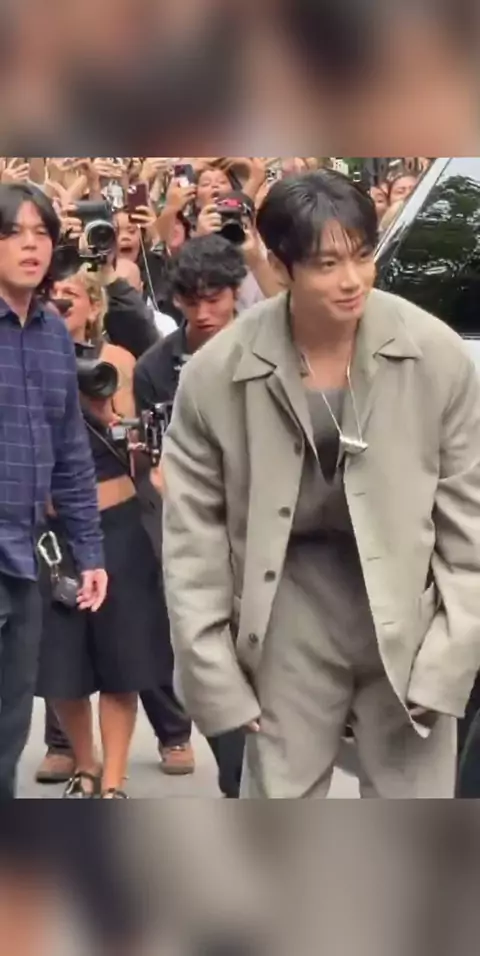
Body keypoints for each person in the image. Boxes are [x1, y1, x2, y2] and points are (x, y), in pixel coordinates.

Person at [161, 169, 480, 799]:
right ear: (280, 268)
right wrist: (214, 673)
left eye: (362, 256)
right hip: (286, 611)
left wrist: (450, 657)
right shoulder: (215, 374)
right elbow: (193, 540)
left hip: (407, 608)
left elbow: (469, 528)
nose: (352, 279)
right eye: (327, 264)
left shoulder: (438, 356)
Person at [35, 264, 172, 798]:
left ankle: (113, 780)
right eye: (53, 294)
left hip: (116, 523)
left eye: (71, 294)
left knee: (123, 659)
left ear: (93, 307)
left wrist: (101, 405)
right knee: (61, 665)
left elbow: (133, 444)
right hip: (53, 532)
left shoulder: (115, 360)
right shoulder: (24, 359)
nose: (61, 301)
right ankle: (86, 764)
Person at [0, 182, 107, 799]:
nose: (30, 245)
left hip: (26, 554)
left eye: (41, 232)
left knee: (10, 728)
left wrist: (89, 552)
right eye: (13, 232)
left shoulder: (52, 334)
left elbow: (71, 453)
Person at [135, 234, 248, 795]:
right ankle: (234, 775)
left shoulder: (274, 346)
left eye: (215, 298)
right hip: (199, 529)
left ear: (236, 293)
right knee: (211, 663)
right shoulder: (157, 367)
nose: (204, 313)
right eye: (192, 300)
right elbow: (153, 455)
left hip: (273, 530)